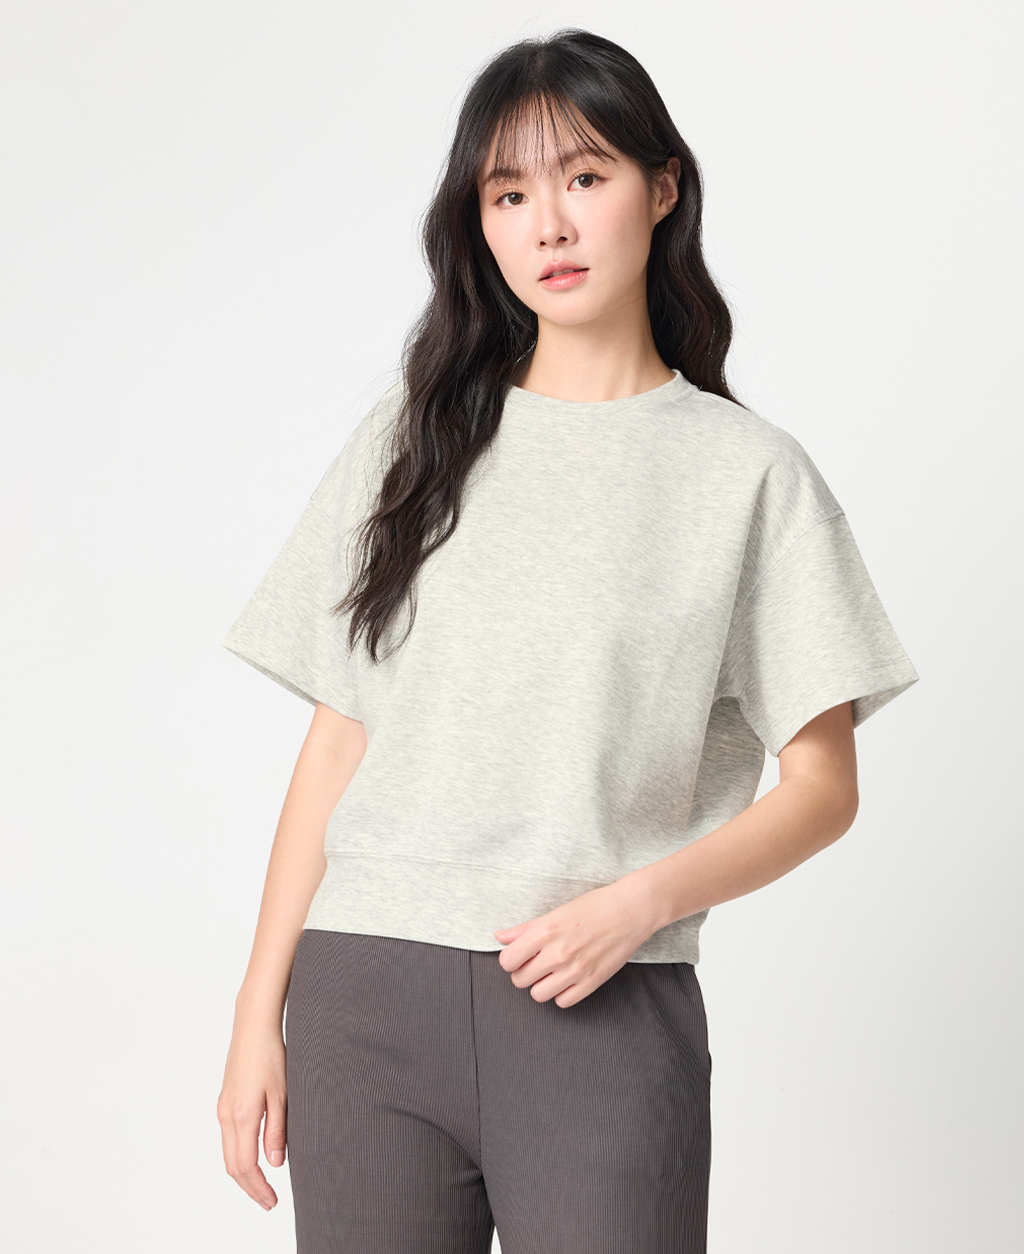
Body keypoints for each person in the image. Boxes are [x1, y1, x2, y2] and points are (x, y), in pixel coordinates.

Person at [216, 27, 919, 1254]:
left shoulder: (747, 476)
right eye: (508, 194)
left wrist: (637, 904)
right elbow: (338, 741)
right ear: (478, 224)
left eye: (584, 177)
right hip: (365, 999)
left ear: (662, 187)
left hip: (601, 996)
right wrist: (252, 1019)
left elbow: (823, 788)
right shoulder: (415, 443)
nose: (548, 223)